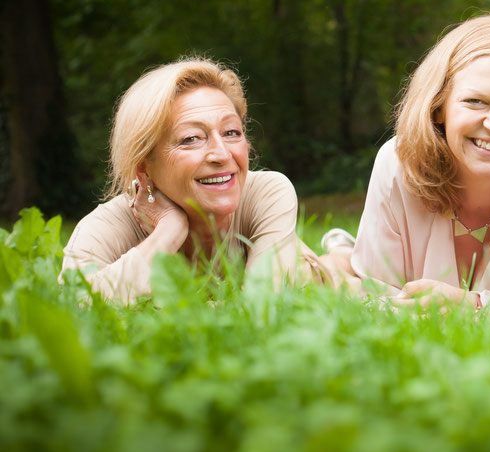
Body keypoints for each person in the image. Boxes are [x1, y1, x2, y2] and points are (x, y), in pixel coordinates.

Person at [327, 14, 490, 311]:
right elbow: (379, 300)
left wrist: (469, 305)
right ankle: (341, 250)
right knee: (341, 275)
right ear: (437, 107)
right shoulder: (398, 161)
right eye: (476, 101)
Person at [61, 58, 324, 303]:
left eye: (231, 132)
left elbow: (263, 308)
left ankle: (342, 253)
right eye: (191, 138)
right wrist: (168, 232)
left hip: (315, 276)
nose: (222, 154)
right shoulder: (104, 228)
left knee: (345, 271)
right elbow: (75, 308)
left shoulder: (267, 193)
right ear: (144, 168)